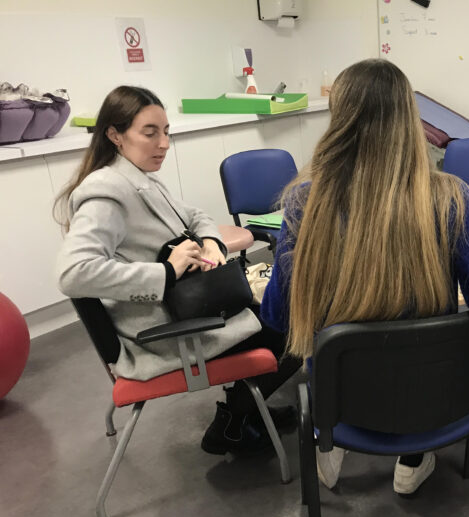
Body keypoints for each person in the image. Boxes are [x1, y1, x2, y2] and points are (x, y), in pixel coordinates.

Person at [260, 59, 469, 494]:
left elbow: (276, 316)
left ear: (339, 119)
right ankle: (413, 460)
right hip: (436, 400)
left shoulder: (304, 204)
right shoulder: (451, 199)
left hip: (341, 403)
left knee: (338, 360)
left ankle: (330, 446)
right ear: (410, 119)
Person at [55, 85, 299, 455]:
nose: (164, 143)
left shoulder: (140, 177)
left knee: (278, 315)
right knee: (295, 330)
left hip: (184, 311)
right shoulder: (107, 193)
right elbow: (73, 273)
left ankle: (248, 411)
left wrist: (211, 243)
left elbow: (196, 215)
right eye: (150, 133)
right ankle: (233, 422)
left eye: (166, 131)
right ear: (115, 135)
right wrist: (166, 272)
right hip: (167, 332)